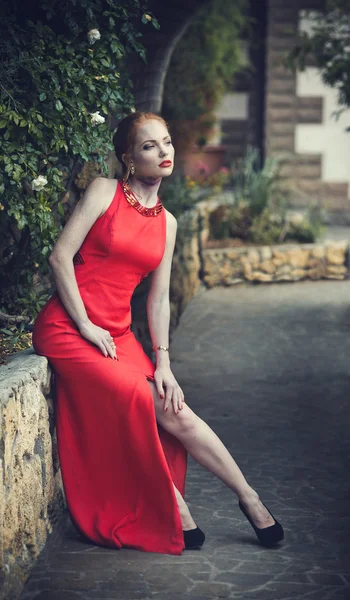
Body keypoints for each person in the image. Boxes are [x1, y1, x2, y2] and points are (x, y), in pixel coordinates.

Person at [32, 111, 284, 555]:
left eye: (166, 142)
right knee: (134, 397)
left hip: (120, 335)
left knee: (174, 407)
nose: (164, 152)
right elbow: (59, 258)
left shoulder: (167, 223)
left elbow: (158, 296)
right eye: (150, 146)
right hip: (70, 329)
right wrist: (86, 325)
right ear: (129, 157)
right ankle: (175, 505)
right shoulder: (103, 191)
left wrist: (164, 361)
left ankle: (250, 498)